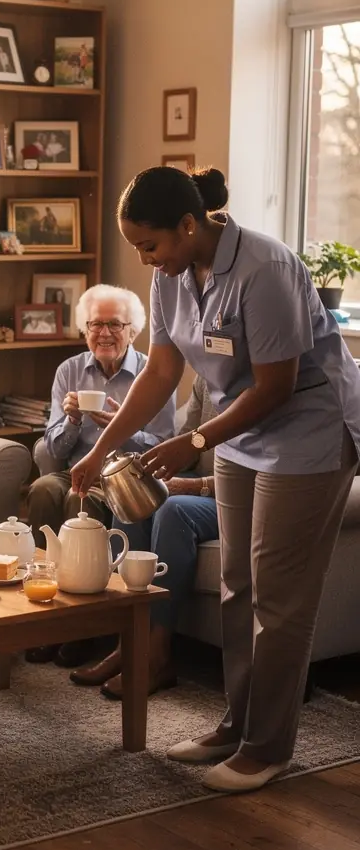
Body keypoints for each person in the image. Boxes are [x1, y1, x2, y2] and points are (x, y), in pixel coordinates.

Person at [71, 165, 360, 793]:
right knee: (237, 584)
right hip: (240, 431)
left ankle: (267, 746)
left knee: (279, 599)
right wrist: (103, 450)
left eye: (150, 244)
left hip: (308, 429)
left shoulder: (264, 266)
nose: (146, 258)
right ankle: (235, 725)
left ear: (188, 224)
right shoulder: (170, 274)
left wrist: (195, 439)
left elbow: (278, 385)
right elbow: (159, 375)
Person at [25, 284, 176, 668]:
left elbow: (164, 444)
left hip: (124, 478)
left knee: (85, 504)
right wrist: (73, 419)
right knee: (43, 490)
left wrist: (119, 426)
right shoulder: (70, 370)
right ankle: (44, 617)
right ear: (84, 328)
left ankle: (85, 628)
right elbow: (54, 450)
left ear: (133, 330)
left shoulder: (152, 372)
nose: (104, 333)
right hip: (76, 469)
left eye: (114, 324)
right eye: (96, 324)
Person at [70, 373, 219, 699]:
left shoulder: (256, 382)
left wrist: (193, 485)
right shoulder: (205, 377)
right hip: (199, 483)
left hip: (235, 495)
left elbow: (251, 470)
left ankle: (157, 656)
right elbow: (189, 446)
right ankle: (129, 645)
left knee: (172, 509)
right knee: (133, 493)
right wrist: (144, 467)